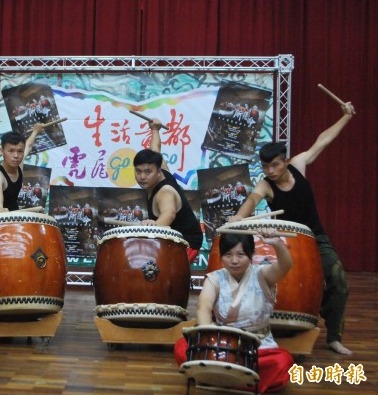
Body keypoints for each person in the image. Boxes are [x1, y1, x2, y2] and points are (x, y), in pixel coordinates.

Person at [230, 101, 356, 355]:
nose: (270, 171)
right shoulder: (266, 184)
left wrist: (346, 117)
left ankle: (334, 336)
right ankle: (266, 327)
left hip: (314, 238)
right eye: (265, 166)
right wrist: (238, 217)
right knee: (283, 285)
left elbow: (323, 141)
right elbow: (253, 199)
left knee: (338, 279)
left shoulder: (298, 165)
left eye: (275, 165)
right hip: (284, 241)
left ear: (285, 161)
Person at [174, 229, 294, 393]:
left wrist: (276, 244)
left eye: (241, 254)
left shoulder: (262, 274)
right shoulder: (215, 278)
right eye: (228, 254)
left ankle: (219, 379)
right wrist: (208, 338)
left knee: (282, 361)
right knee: (182, 347)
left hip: (258, 347)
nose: (234, 260)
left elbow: (285, 266)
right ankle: (243, 381)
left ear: (251, 254)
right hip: (222, 346)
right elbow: (204, 307)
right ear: (221, 255)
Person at [133, 118, 203, 261]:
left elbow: (169, 214)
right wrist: (155, 129)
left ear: (158, 171)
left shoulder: (165, 193)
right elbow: (156, 149)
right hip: (171, 239)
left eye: (147, 172)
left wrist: (154, 227)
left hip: (186, 244)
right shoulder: (161, 169)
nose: (142, 177)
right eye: (138, 171)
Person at [0, 123, 45, 214]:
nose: (16, 156)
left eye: (20, 151)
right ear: (2, 151)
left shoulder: (18, 165)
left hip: (14, 219)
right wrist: (0, 209)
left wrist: (35, 131)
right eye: (11, 151)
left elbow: (28, 145)